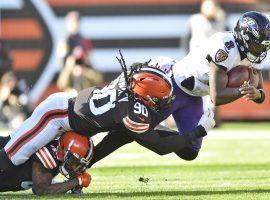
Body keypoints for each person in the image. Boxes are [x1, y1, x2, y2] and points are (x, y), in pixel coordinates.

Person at [89, 11, 270, 166]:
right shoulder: (224, 48)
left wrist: (256, 94)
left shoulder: (254, 54)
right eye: (258, 43)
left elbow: (260, 94)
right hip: (175, 85)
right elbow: (217, 97)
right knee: (126, 133)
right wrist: (243, 91)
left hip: (195, 94)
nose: (261, 49)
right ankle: (82, 166)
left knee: (190, 151)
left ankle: (157, 129)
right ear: (244, 38)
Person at [0, 55, 207, 174]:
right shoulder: (133, 113)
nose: (165, 102)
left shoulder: (128, 88)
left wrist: (86, 165)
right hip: (56, 116)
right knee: (13, 157)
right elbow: (160, 147)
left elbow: (116, 139)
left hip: (67, 117)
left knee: (12, 144)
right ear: (146, 97)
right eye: (160, 98)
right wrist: (198, 131)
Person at [0, 131, 93, 195]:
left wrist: (76, 184)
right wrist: (77, 181)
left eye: (78, 165)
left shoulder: (59, 153)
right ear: (63, 149)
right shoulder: (49, 152)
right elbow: (41, 190)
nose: (75, 167)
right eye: (74, 162)